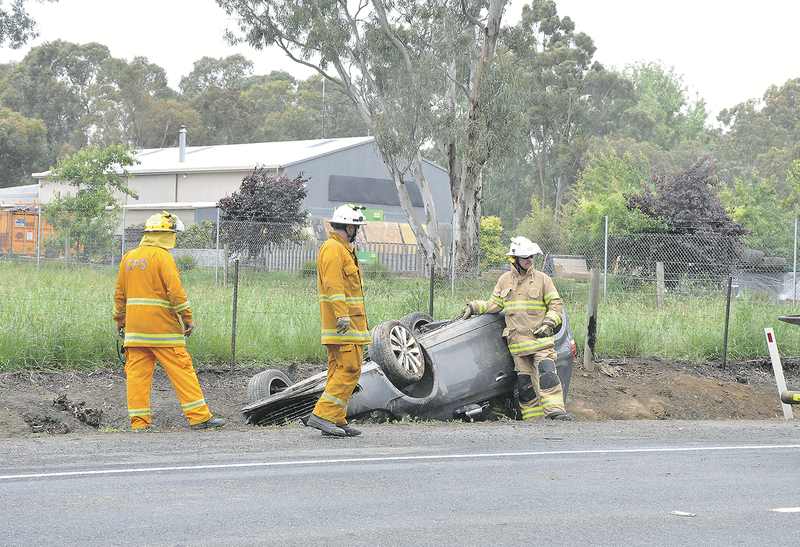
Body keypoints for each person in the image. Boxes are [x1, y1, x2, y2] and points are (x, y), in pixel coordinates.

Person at [113, 211, 225, 430]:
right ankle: (199, 417)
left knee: (137, 377)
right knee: (182, 371)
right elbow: (175, 291)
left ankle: (139, 423)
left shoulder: (129, 258)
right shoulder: (163, 257)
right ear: (166, 235)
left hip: (135, 332)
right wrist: (187, 318)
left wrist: (120, 320)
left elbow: (120, 294)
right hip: (163, 331)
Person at [460, 236, 572, 421]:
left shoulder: (543, 280)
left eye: (531, 257)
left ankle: (556, 414)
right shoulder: (504, 280)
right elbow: (495, 304)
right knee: (525, 386)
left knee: (547, 377)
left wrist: (548, 324)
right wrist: (474, 307)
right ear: (515, 259)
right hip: (518, 346)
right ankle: (533, 421)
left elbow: (556, 304)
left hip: (540, 343)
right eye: (525, 257)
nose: (529, 260)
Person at [306, 204, 371, 437]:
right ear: (349, 228)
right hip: (344, 325)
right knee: (350, 368)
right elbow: (334, 285)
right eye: (357, 228)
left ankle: (335, 418)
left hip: (348, 325)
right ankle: (322, 415)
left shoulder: (342, 249)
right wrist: (342, 314)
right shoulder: (334, 249)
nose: (358, 233)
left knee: (339, 370)